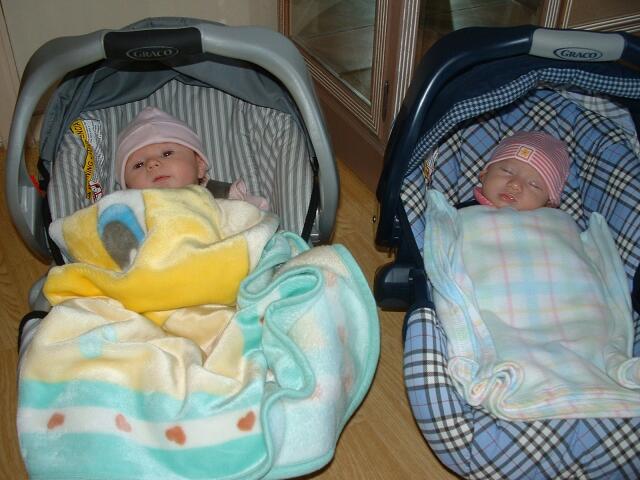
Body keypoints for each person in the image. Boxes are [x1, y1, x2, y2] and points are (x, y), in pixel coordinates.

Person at [115, 106, 268, 209]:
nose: (152, 163)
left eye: (167, 154)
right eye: (138, 165)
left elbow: (260, 220)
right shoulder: (128, 220)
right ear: (128, 189)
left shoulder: (225, 198)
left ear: (199, 165)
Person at [458, 130, 570, 211]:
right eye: (507, 171)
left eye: (533, 184)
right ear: (484, 175)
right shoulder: (459, 214)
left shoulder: (552, 227)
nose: (515, 184)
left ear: (548, 205)